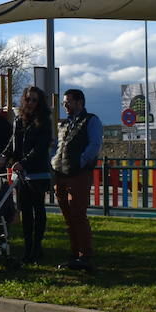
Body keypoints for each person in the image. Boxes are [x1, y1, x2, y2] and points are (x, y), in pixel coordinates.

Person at [51, 89, 103, 271]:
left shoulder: (91, 120)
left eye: (68, 102)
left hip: (78, 173)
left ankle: (85, 253)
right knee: (68, 215)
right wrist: (54, 162)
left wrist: (80, 162)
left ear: (79, 102)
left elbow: (94, 144)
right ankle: (74, 252)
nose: (65, 106)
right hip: (61, 173)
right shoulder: (64, 124)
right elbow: (58, 146)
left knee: (78, 213)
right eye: (64, 102)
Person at [5, 86, 54, 265]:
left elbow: (40, 148)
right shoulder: (19, 119)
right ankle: (28, 249)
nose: (31, 103)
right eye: (28, 99)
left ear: (39, 102)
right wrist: (5, 156)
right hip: (22, 172)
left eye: (34, 100)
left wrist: (23, 162)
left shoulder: (44, 121)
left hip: (38, 171)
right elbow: (13, 142)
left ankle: (37, 248)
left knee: (38, 210)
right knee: (25, 211)